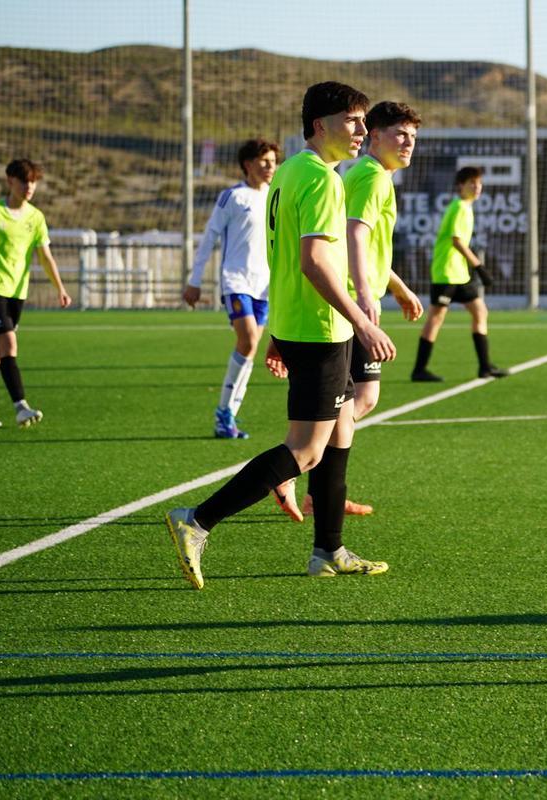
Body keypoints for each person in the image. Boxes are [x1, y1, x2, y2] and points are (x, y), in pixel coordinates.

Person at [165, 81, 396, 589]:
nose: (361, 130)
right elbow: (313, 260)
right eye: (353, 120)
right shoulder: (320, 179)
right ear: (321, 125)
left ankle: (329, 550)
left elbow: (282, 254)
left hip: (296, 324)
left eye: (363, 121)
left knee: (341, 432)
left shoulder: (290, 172)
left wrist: (276, 333)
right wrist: (361, 321)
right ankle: (197, 520)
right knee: (308, 449)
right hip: (320, 329)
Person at [281, 101, 425, 519]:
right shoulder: (370, 176)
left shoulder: (372, 176)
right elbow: (354, 236)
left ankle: (318, 486)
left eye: (413, 136)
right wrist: (365, 295)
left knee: (355, 401)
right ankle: (298, 470)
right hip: (349, 305)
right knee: (357, 399)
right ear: (375, 136)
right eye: (399, 134)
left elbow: (367, 244)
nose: (408, 143)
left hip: (358, 299)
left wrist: (395, 286)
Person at [183, 138, 280, 439]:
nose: (270, 167)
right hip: (236, 280)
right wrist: (194, 280)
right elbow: (210, 236)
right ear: (248, 164)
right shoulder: (232, 197)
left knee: (249, 351)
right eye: (264, 161)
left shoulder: (276, 196)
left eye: (274, 162)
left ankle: (229, 415)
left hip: (264, 286)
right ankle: (224, 412)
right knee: (249, 340)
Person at [410, 166, 506, 382]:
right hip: (446, 272)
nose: (477, 186)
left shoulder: (465, 207)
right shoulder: (460, 207)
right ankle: (419, 369)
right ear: (460, 186)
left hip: (460, 274)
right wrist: (480, 267)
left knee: (480, 312)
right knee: (436, 318)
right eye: (472, 182)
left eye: (479, 183)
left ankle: (485, 366)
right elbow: (457, 241)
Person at [0, 158, 72, 428]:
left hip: (18, 292)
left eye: (33, 182)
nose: (29, 186)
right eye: (24, 181)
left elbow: (45, 257)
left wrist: (60, 288)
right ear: (10, 181)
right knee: (9, 344)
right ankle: (21, 406)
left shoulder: (35, 217)